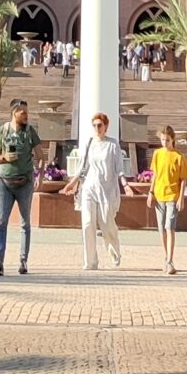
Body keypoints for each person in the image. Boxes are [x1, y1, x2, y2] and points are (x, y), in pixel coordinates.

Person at [0, 98, 41, 278]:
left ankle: (23, 261)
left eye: (27, 112)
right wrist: (5, 158)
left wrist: (40, 175)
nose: (26, 115)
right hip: (5, 183)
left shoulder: (30, 132)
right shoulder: (2, 131)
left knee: (25, 223)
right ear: (14, 113)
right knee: (1, 222)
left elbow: (40, 155)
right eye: (23, 112)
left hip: (25, 182)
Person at [71, 110, 129, 271]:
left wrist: (125, 185)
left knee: (107, 223)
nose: (97, 128)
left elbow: (119, 168)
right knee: (87, 224)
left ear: (106, 126)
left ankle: (114, 250)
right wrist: (72, 183)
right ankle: (90, 261)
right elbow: (82, 167)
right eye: (95, 125)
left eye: (100, 125)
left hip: (107, 190)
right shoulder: (89, 143)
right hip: (89, 188)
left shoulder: (112, 145)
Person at [150, 124, 187, 274]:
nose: (164, 143)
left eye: (167, 140)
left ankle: (170, 261)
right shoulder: (157, 154)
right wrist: (151, 192)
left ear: (172, 140)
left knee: (169, 227)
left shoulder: (178, 157)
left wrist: (181, 198)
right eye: (162, 140)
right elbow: (155, 174)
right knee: (161, 228)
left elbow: (184, 179)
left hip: (173, 195)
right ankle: (166, 257)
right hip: (159, 195)